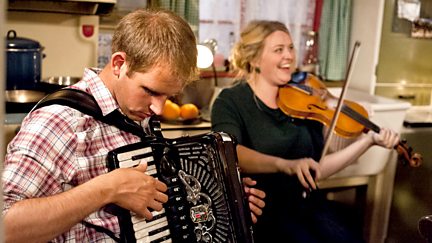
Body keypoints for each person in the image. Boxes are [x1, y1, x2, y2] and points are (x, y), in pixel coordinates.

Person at [2, 9, 265, 242]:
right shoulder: (61, 122)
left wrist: (222, 200)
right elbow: (7, 227)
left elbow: (161, 201)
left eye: (168, 96)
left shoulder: (138, 115)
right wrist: (106, 189)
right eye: (150, 91)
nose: (158, 108)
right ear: (119, 64)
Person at [211, 20, 400, 243]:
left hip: (307, 206)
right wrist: (284, 165)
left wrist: (368, 141)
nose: (289, 56)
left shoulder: (305, 103)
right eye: (278, 50)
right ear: (254, 59)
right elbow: (228, 152)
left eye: (291, 48)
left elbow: (316, 170)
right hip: (261, 211)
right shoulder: (231, 101)